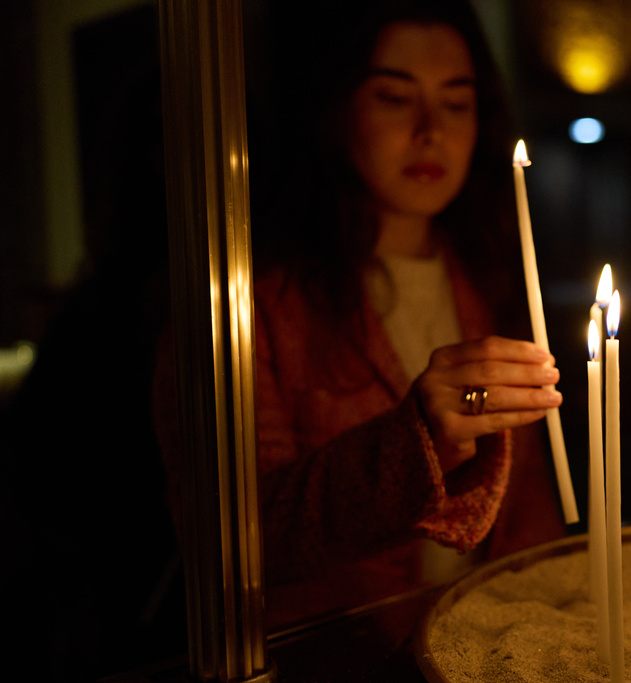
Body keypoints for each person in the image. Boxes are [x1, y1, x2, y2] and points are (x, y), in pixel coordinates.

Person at [154, 0, 566, 630]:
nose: (431, 130)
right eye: (395, 98)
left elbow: (530, 509)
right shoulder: (253, 306)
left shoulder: (492, 282)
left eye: (457, 103)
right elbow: (237, 542)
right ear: (337, 108)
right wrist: (417, 441)